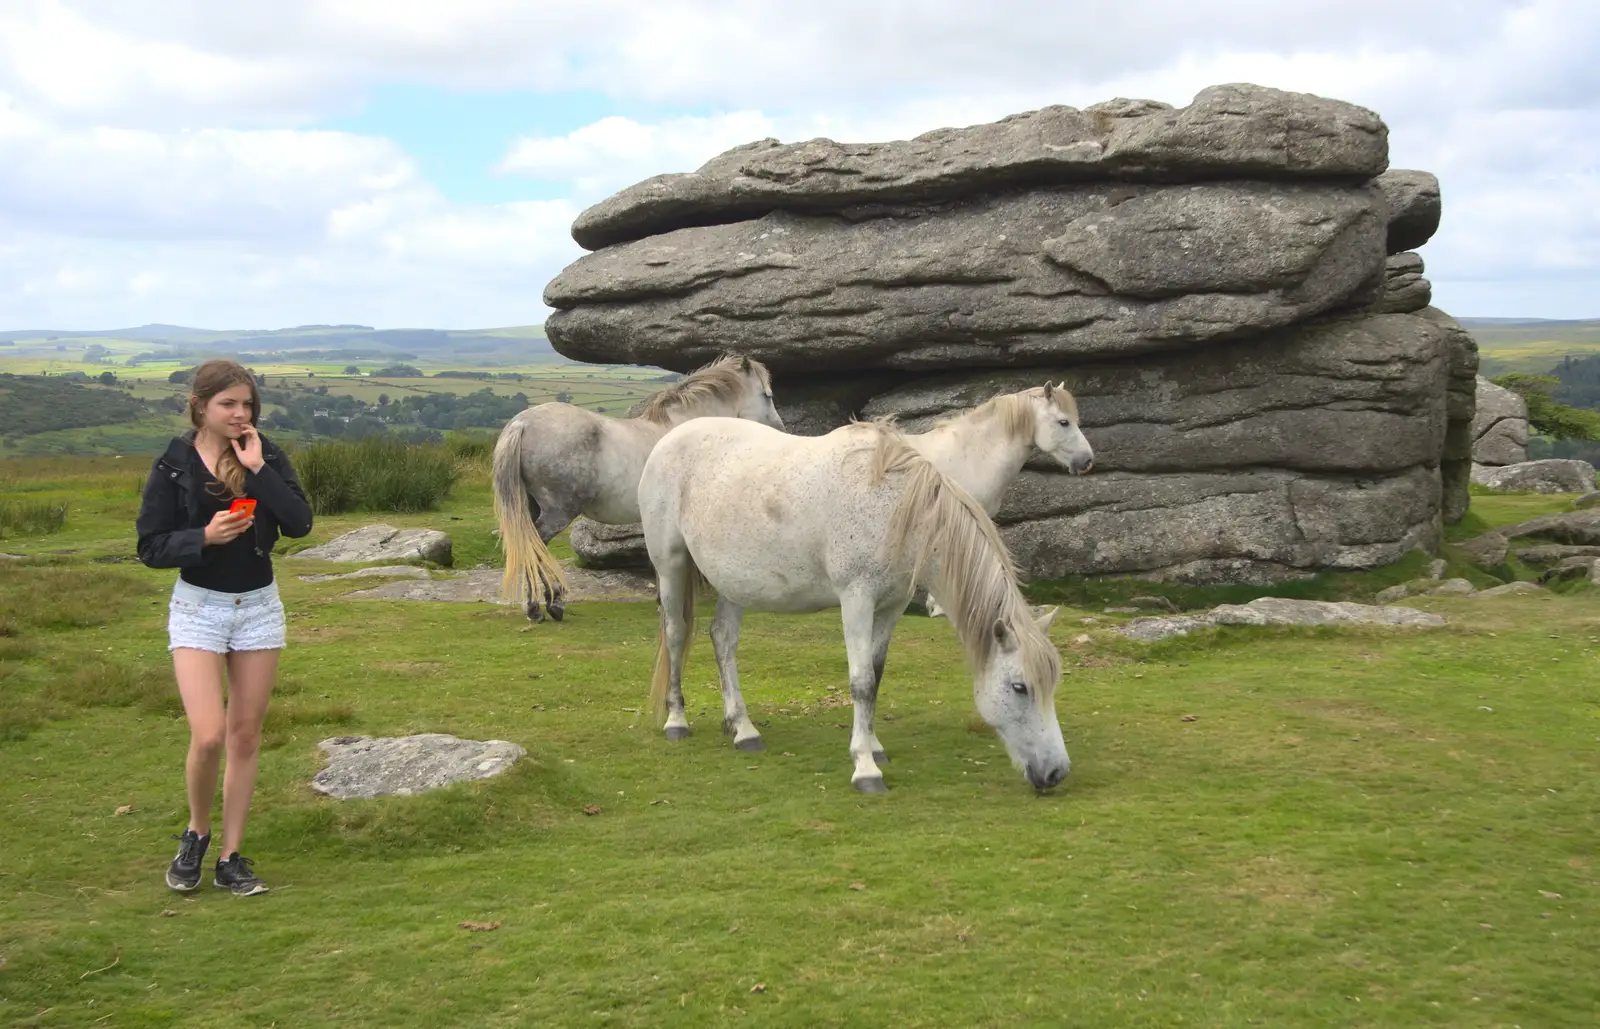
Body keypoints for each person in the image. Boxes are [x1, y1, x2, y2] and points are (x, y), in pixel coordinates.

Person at [135, 358, 314, 896]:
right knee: (209, 733)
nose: (241, 414)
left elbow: (300, 524)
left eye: (247, 404)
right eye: (228, 405)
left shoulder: (265, 453)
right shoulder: (173, 465)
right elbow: (150, 546)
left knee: (245, 736)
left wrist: (258, 471)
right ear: (200, 407)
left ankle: (232, 856)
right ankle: (197, 832)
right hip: (198, 608)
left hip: (259, 606)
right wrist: (205, 538)